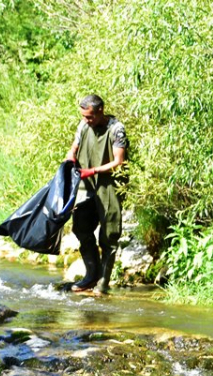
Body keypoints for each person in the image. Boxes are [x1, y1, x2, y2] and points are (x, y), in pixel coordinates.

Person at [64, 94, 128, 295]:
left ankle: (103, 282)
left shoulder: (117, 129)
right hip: (86, 185)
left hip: (110, 186)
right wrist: (70, 158)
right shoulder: (83, 126)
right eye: (83, 116)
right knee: (80, 227)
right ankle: (91, 275)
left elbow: (119, 162)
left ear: (100, 111)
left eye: (90, 117)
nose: (86, 120)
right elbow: (73, 149)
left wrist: (93, 171)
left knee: (109, 235)